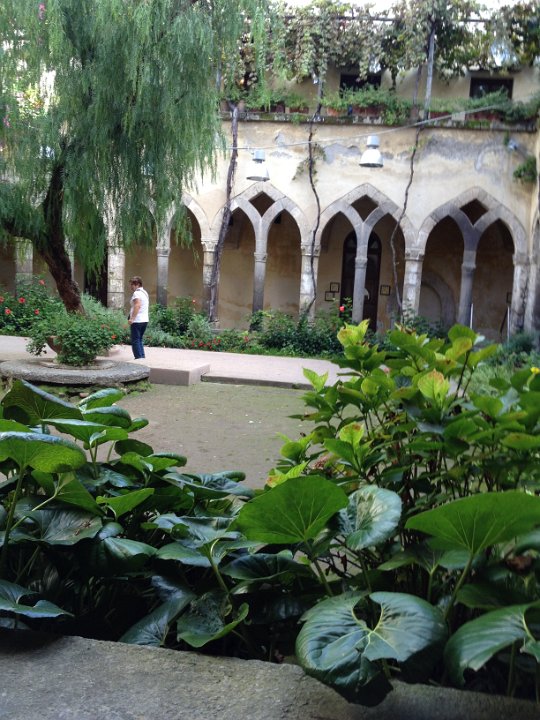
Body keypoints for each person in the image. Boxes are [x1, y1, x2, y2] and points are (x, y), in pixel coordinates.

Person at [128, 276, 149, 359]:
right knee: (139, 339)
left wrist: (132, 318)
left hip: (137, 320)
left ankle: (138, 359)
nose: (131, 286)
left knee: (135, 340)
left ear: (137, 284)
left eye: (132, 284)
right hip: (144, 320)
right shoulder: (145, 292)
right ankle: (142, 357)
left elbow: (137, 305)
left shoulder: (137, 293)